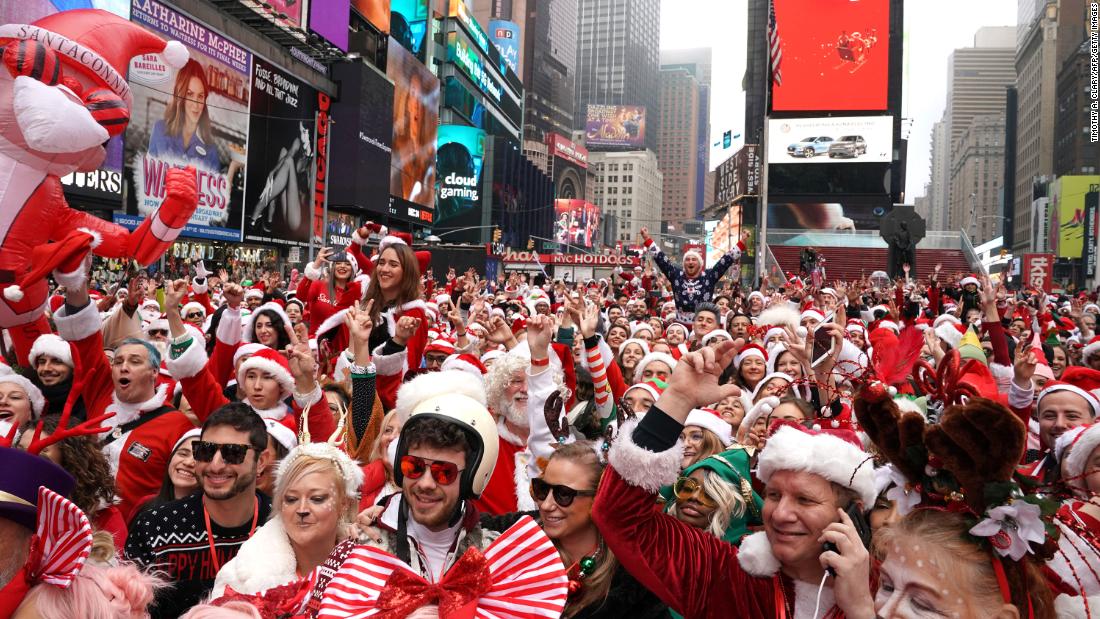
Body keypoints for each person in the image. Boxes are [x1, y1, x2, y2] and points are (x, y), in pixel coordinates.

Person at [591, 341, 877, 617]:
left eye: (804, 499)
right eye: (774, 495)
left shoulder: (891, 590)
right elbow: (620, 517)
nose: (780, 514)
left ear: (852, 513)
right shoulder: (725, 574)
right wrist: (678, 399)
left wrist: (861, 612)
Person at [53, 278, 194, 517]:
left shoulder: (177, 425)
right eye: (118, 362)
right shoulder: (102, 394)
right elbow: (86, 341)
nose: (123, 367)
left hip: (134, 537)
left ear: (155, 372)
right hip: (82, 527)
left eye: (135, 361)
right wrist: (75, 278)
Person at [125, 404, 274, 619]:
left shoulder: (280, 523)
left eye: (233, 453)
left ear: (260, 462)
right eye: (206, 451)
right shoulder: (155, 525)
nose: (215, 465)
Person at [210, 439, 363, 603]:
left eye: (317, 499)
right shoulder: (239, 580)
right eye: (291, 499)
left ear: (344, 504)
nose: (302, 509)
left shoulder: (370, 568)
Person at [16, 414, 127, 551]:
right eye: (20, 450)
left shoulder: (103, 517)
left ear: (70, 462)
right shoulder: (7, 502)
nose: (27, 459)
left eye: (42, 451)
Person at [639, 227, 743, 322]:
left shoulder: (709, 276)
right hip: (680, 325)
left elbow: (725, 261)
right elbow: (661, 258)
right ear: (684, 264)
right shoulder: (676, 275)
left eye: (694, 259)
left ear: (700, 264)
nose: (690, 262)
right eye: (687, 260)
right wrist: (647, 238)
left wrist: (742, 242)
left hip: (704, 324)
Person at [147, 60, 221, 172]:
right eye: (189, 94)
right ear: (179, 96)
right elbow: (148, 177)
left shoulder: (211, 151)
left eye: (200, 96)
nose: (196, 104)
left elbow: (215, 189)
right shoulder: (160, 130)